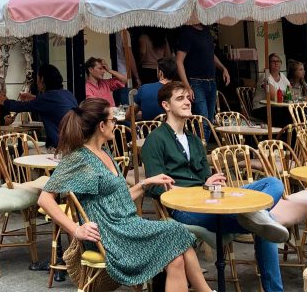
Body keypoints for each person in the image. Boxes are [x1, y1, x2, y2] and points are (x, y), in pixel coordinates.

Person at [37, 98, 211, 292]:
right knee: (175, 230)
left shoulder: (104, 152)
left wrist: (145, 183)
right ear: (101, 126)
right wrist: (75, 230)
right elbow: (45, 199)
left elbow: (119, 199)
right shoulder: (79, 158)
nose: (116, 124)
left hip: (126, 225)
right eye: (112, 120)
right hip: (109, 234)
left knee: (176, 259)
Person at [141, 82, 289, 292]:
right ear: (166, 105)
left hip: (211, 199)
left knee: (273, 183)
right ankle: (257, 219)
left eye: (187, 98)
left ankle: (254, 213)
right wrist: (198, 189)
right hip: (185, 210)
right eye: (180, 98)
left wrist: (208, 182)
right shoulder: (155, 140)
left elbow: (204, 178)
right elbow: (155, 188)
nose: (187, 102)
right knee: (268, 223)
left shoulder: (194, 140)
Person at [0, 64, 77, 149]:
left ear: (42, 80)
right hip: (75, 143)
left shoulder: (46, 98)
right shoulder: (67, 94)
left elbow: (19, 107)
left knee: (26, 155)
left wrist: (4, 101)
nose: (36, 82)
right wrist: (34, 98)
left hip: (60, 147)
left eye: (37, 78)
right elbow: (52, 104)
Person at [174, 21, 230, 122]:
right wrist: (187, 86)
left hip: (211, 82)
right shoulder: (187, 33)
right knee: (203, 121)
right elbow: (179, 61)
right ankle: (199, 138)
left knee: (209, 121)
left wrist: (223, 68)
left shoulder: (206, 31)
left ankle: (201, 138)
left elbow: (210, 54)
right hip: (196, 82)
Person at [252, 53, 291, 126]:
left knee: (294, 112)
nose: (276, 63)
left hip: (276, 107)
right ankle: (281, 135)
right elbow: (274, 97)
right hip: (261, 108)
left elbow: (290, 93)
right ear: (268, 64)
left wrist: (282, 94)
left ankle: (292, 135)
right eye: (273, 61)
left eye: (278, 61)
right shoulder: (265, 76)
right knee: (284, 114)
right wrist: (284, 94)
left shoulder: (282, 76)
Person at [136, 56, 178, 121]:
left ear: (160, 72)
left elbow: (129, 115)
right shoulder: (178, 90)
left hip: (149, 129)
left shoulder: (144, 88)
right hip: (172, 129)